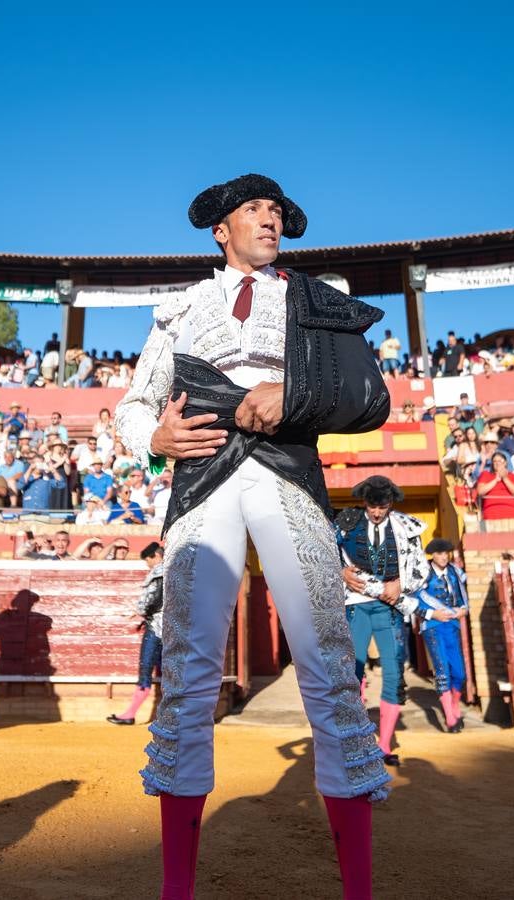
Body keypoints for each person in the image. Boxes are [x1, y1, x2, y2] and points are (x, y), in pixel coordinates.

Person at [114, 173, 392, 897]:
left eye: (276, 212)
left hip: (285, 470)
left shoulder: (313, 299)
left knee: (328, 664)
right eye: (254, 211)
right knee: (187, 669)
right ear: (222, 230)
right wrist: (157, 437)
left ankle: (357, 889)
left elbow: (368, 395)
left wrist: (294, 394)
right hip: (202, 477)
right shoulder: (180, 307)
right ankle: (178, 888)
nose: (269, 221)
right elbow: (134, 406)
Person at [338, 477, 452, 767]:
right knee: (353, 672)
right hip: (357, 606)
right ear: (364, 502)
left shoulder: (407, 527)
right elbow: (323, 552)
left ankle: (385, 744)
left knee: (393, 674)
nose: (377, 512)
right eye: (372, 506)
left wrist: (400, 583)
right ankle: (355, 740)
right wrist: (340, 571)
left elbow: (420, 570)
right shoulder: (347, 521)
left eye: (383, 506)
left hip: (390, 607)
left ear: (391, 504)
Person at [413, 538, 469, 733]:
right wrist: (431, 613)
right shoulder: (422, 573)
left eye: (446, 553)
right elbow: (412, 602)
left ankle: (454, 705)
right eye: (439, 553)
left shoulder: (454, 572)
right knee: (442, 669)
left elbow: (463, 599)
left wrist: (463, 609)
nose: (444, 557)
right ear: (432, 555)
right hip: (433, 626)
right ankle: (450, 717)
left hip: (452, 625)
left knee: (460, 672)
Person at [109, 541, 166, 726]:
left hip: (156, 629)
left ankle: (130, 714)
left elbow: (153, 600)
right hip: (170, 628)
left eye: (148, 560)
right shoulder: (175, 572)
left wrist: (140, 610)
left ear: (156, 556)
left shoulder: (159, 574)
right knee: (170, 672)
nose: (147, 565)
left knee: (146, 668)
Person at [476, 451, 514, 520]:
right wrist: (495, 480)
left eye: (500, 461)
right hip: (492, 510)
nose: (497, 463)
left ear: (505, 463)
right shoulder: (486, 475)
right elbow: (480, 491)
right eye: (494, 461)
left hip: (512, 509)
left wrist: (505, 478)